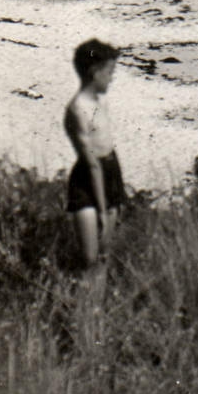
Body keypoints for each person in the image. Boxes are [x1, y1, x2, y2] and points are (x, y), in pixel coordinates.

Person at [64, 38, 126, 273]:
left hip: (110, 171)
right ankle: (83, 306)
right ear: (94, 71)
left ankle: (94, 308)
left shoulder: (100, 102)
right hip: (89, 180)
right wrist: (102, 208)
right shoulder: (78, 109)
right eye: (109, 71)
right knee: (90, 258)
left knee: (103, 256)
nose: (112, 77)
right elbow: (92, 164)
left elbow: (107, 148)